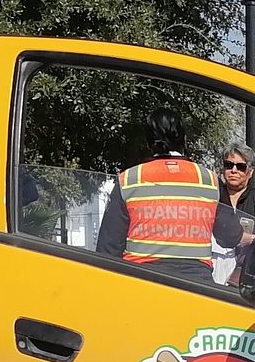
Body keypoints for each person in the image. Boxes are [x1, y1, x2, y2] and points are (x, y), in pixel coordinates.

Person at [95, 108, 241, 283]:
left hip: (142, 284)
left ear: (149, 142)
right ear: (184, 139)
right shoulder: (209, 180)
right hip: (197, 288)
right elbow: (230, 236)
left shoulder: (130, 179)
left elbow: (108, 249)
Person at [212, 143, 255, 284]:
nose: (234, 170)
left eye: (241, 167)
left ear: (250, 172)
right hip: (210, 275)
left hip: (246, 279)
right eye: (229, 165)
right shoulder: (211, 197)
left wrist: (252, 239)